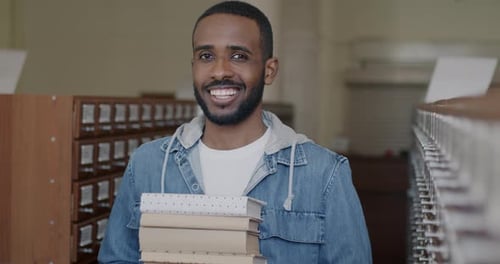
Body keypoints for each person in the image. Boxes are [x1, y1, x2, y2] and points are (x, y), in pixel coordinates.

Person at [98, 1, 372, 263]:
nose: (219, 71)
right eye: (206, 56)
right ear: (194, 66)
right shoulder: (148, 165)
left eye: (238, 56)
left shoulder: (324, 174)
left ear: (269, 70)